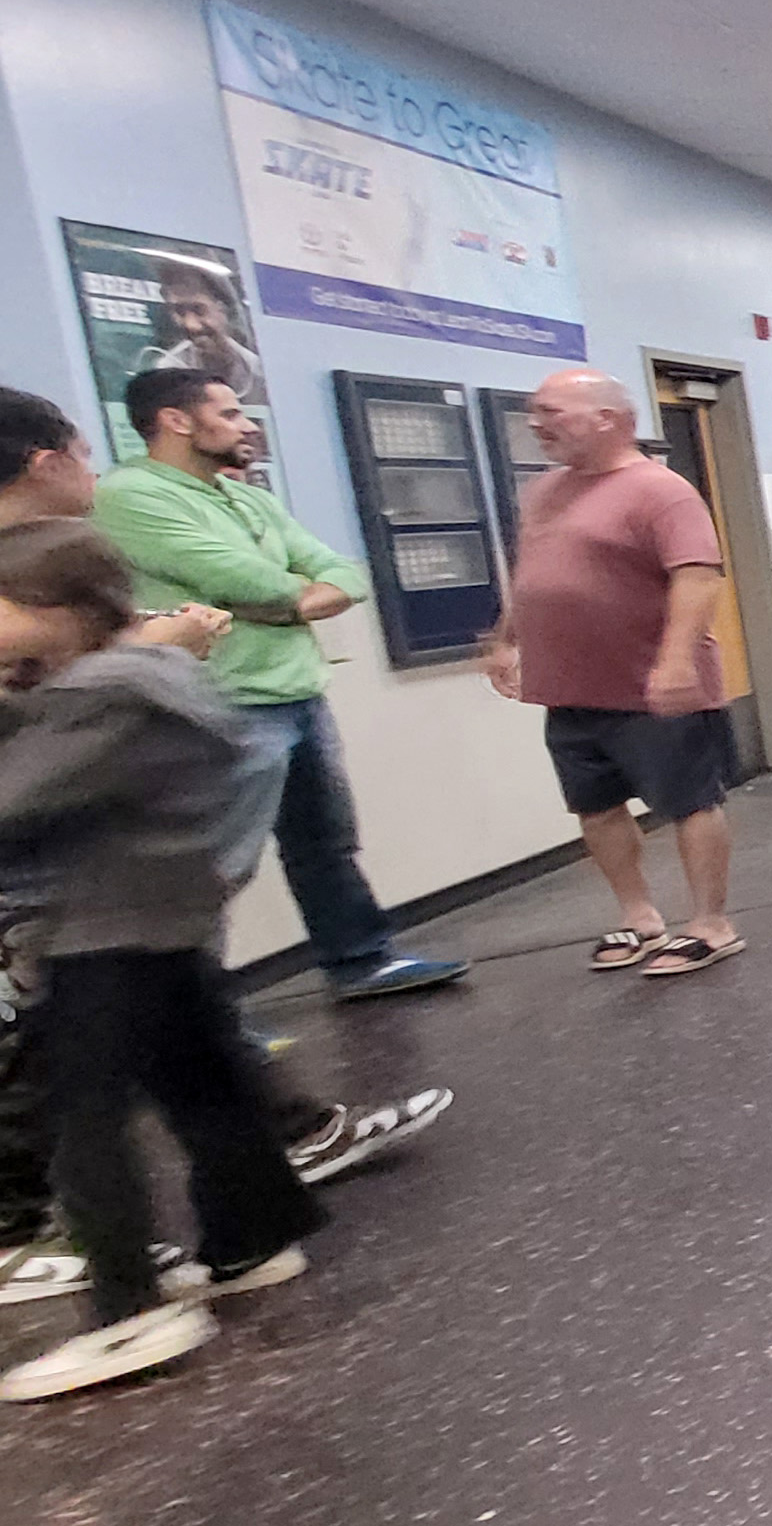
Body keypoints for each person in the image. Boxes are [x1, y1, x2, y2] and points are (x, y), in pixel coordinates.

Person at [0, 389, 451, 1309]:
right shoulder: (133, 617)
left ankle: (127, 1299)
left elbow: (309, 581)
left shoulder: (110, 679)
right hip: (105, 911)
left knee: (106, 1094)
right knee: (165, 1059)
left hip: (93, 915)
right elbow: (274, 592)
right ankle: (247, 1218)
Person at [0, 520, 324, 1401]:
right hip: (162, 924)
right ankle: (251, 1239)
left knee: (81, 1124)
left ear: (53, 609)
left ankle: (126, 1313)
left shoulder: (100, 695)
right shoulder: (154, 675)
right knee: (206, 1088)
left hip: (96, 934)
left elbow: (17, 798)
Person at [93, 367, 466, 1000]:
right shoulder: (131, 494)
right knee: (210, 863)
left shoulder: (243, 496)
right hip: (215, 701)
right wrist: (289, 597)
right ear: (177, 421)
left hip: (296, 692)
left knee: (324, 842)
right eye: (231, 413)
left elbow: (342, 571)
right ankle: (203, 1019)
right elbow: (247, 581)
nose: (247, 426)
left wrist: (290, 601)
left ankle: (360, 960)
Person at [483, 370, 744, 977]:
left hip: (654, 686)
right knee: (595, 806)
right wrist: (505, 639)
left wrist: (676, 661)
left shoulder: (662, 490)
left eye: (551, 410)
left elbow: (698, 574)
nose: (536, 422)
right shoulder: (544, 492)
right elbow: (536, 574)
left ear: (608, 417)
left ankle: (711, 922)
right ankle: (640, 917)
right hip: (571, 687)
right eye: (533, 410)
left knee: (690, 802)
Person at [138, 259, 264, 397]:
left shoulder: (259, 370)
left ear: (224, 310)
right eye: (179, 312)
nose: (190, 325)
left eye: (199, 310)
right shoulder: (168, 372)